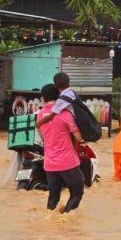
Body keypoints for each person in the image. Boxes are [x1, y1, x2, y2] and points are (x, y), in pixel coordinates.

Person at [37, 84, 85, 213]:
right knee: (77, 192)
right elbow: (79, 138)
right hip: (68, 163)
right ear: (59, 97)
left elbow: (43, 137)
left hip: (50, 165)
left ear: (43, 98)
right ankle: (66, 221)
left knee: (53, 198)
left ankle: (51, 222)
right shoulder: (65, 114)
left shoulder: (40, 115)